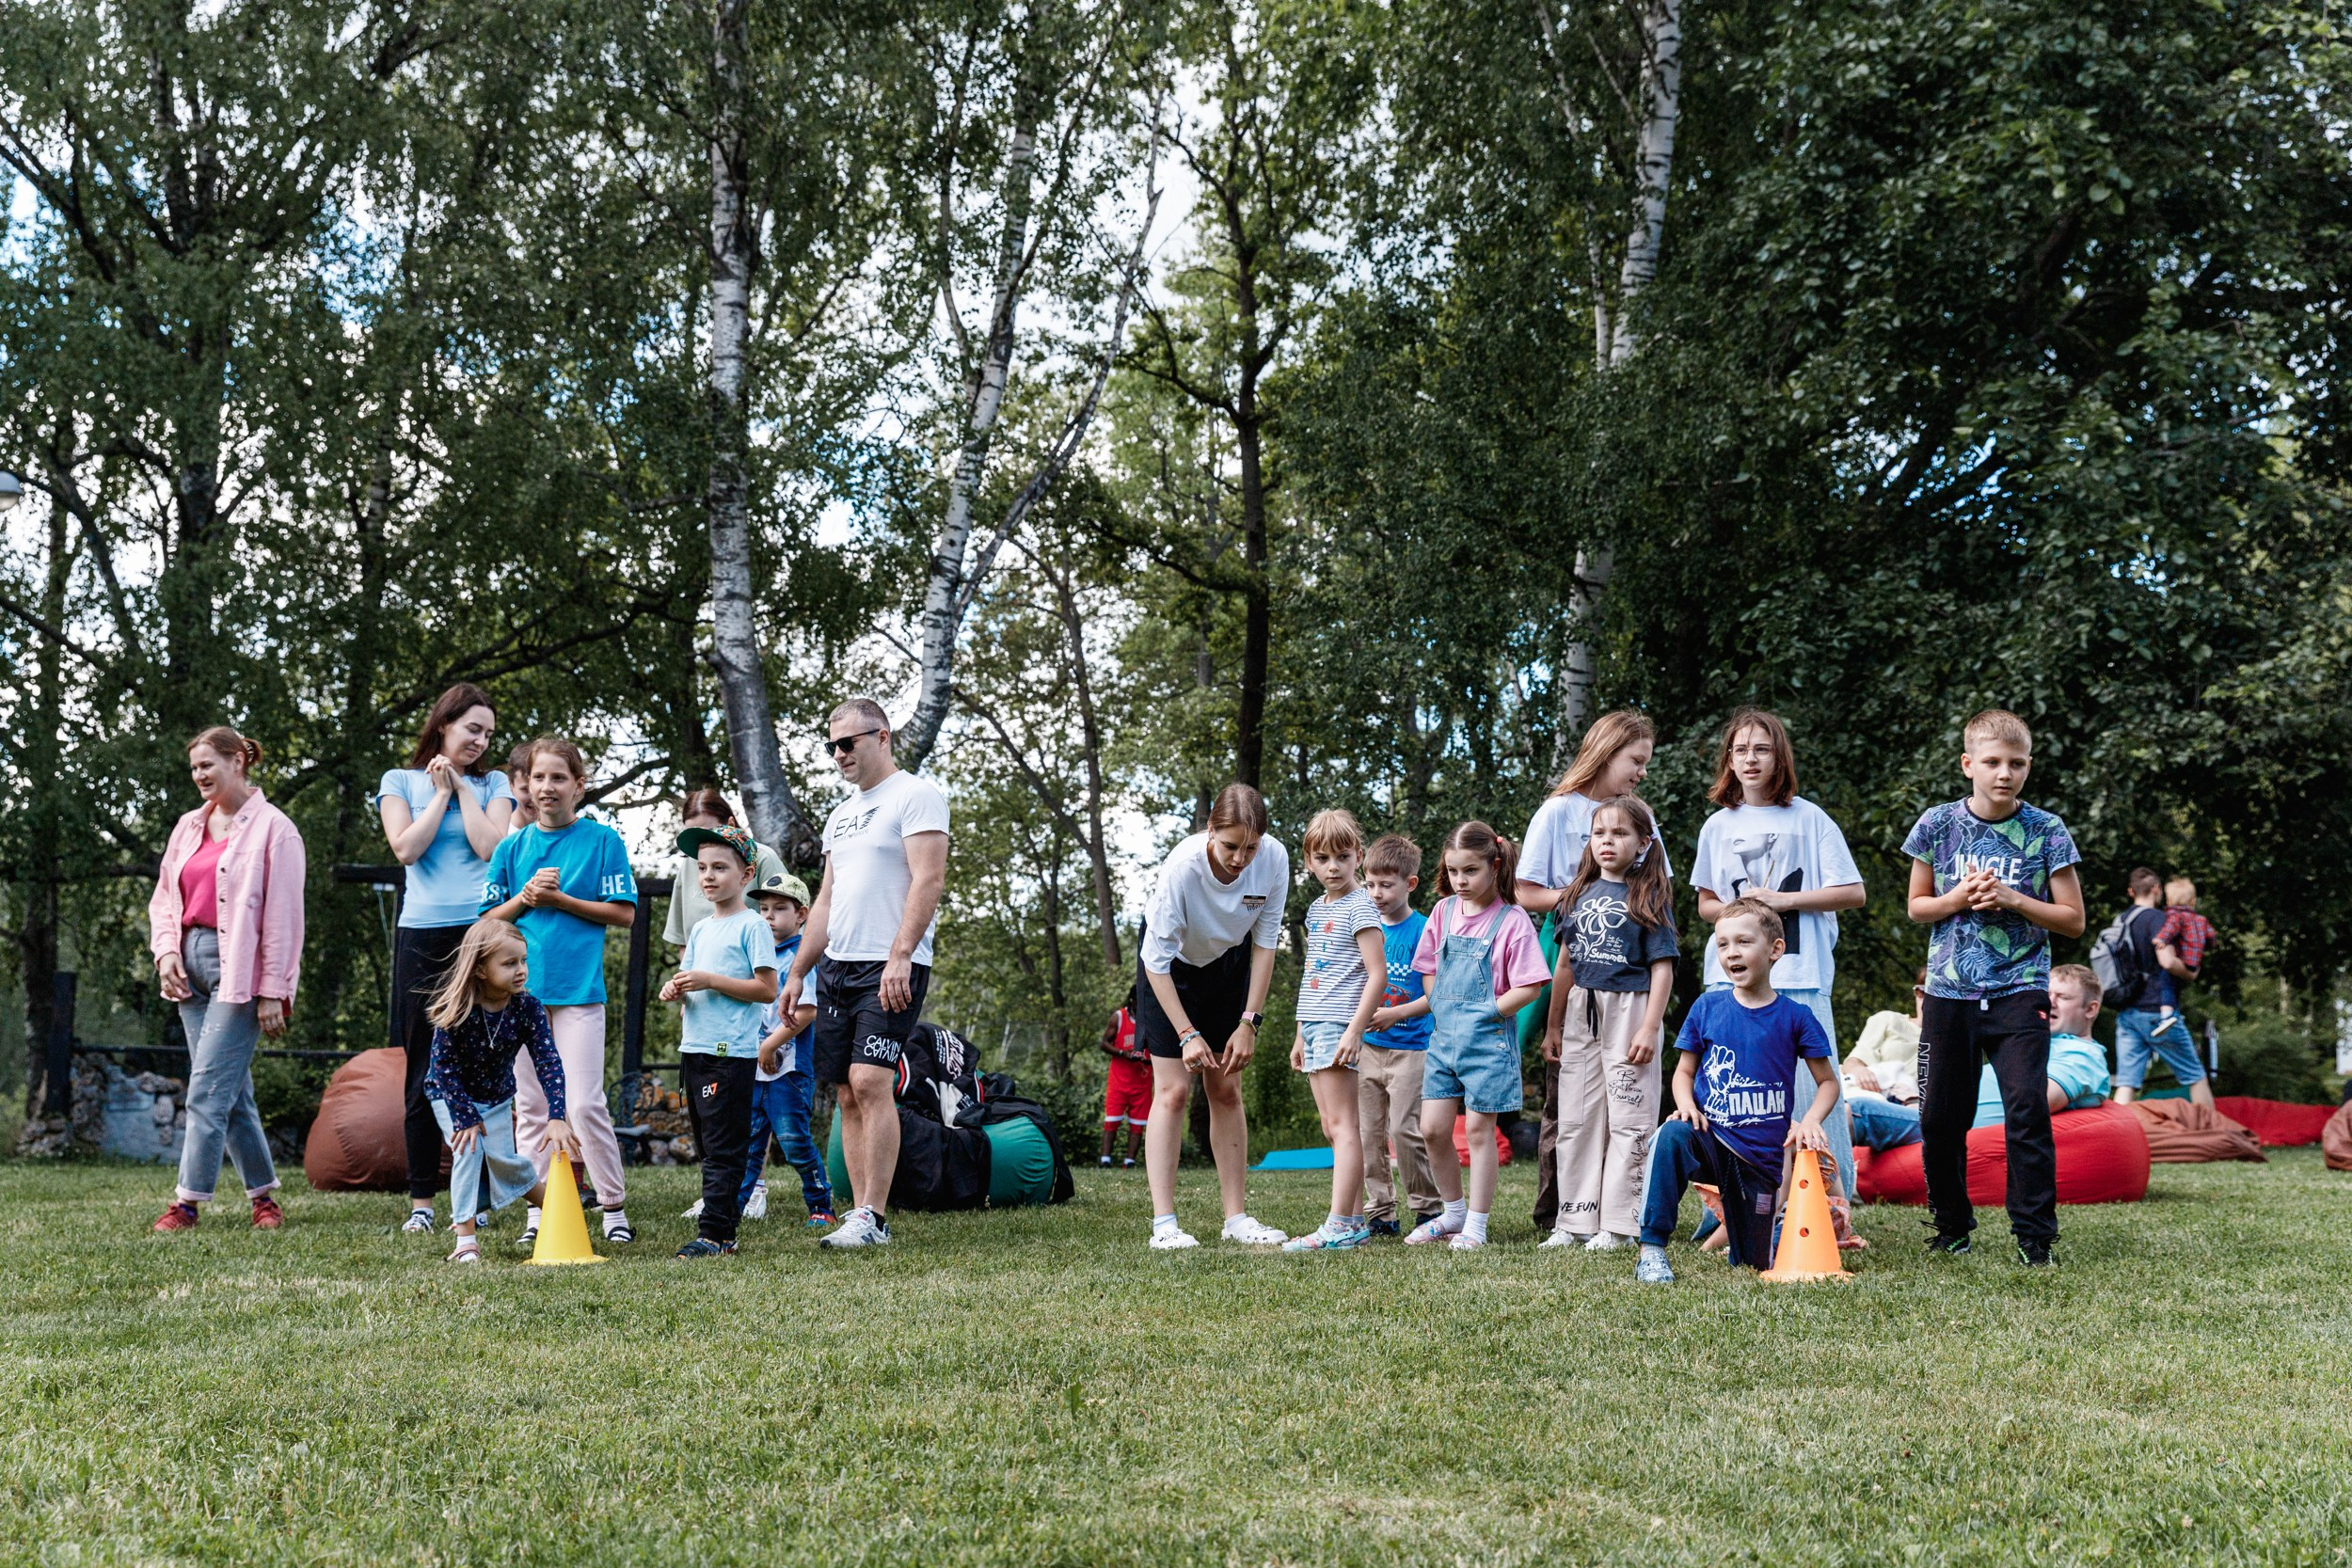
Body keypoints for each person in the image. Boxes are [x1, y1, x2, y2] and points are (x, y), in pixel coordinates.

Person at [1903, 708, 2084, 1268]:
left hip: (2019, 990)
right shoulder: (1936, 824)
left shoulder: (2047, 830)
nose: (2004, 773)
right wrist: (1957, 899)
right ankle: (1952, 1227)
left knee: (2027, 1107)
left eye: (2017, 763)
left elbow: (2073, 919)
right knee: (1938, 1118)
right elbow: (1917, 907)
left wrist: (2012, 899)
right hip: (1948, 993)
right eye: (1992, 762)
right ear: (1968, 765)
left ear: (2028, 767)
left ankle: (2035, 1239)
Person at [782, 700, 951, 1251]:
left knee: (871, 1080)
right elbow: (826, 901)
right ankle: (859, 1214)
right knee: (845, 1092)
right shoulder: (840, 815)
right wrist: (797, 972)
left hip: (891, 963)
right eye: (831, 746)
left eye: (847, 743)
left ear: (882, 737)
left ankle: (874, 1216)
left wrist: (902, 952)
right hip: (837, 966)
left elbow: (928, 879)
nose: (838, 755)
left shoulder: (916, 796)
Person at [1687, 709, 1867, 1209]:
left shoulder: (1809, 817)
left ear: (1779, 756)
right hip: (1732, 979)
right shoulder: (1717, 826)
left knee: (1811, 1095)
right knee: (1733, 1094)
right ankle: (1733, 1206)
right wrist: (1743, 914)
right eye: (1740, 749)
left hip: (1800, 974)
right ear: (1729, 759)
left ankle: (1829, 1206)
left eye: (1761, 749)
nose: (1750, 759)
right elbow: (1705, 904)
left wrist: (1782, 902)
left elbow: (1852, 892)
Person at [1516, 710, 1668, 1235]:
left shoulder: (1642, 821)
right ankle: (1564, 1215)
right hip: (1570, 960)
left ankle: (1620, 1219)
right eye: (1636, 760)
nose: (1642, 771)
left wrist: (1616, 896)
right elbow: (1526, 891)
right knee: (1569, 1104)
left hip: (1630, 979)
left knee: (1627, 1107)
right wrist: (1586, 896)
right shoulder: (1558, 812)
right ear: (1608, 751)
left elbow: (1658, 897)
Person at [482, 736, 638, 1248]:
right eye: (537, 778)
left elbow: (624, 913)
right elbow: (484, 923)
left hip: (579, 994)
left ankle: (612, 1209)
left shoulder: (602, 841)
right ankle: (540, 1212)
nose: (546, 788)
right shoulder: (511, 849)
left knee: (585, 1101)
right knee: (529, 1106)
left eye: (558, 778)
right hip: (521, 999)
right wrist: (525, 899)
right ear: (525, 784)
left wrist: (562, 899)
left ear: (579, 786)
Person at [146, 725, 304, 1234]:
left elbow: (283, 918)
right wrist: (166, 953)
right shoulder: (188, 826)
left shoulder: (275, 829)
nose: (199, 775)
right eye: (194, 767)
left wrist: (273, 990)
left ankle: (186, 1205)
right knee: (231, 1091)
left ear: (239, 761)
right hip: (187, 964)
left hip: (238, 968)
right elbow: (165, 898)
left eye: (207, 764)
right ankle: (264, 1199)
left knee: (207, 1089)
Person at [1124, 783, 1292, 1251]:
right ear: (1210, 832)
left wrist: (1249, 1021)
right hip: (1169, 968)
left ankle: (1235, 1218)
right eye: (1231, 845)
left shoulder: (1274, 860)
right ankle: (1165, 1226)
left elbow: (1265, 942)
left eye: (1251, 847)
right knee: (1174, 1090)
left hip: (1228, 962)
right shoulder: (1182, 870)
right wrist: (1187, 1033)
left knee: (1225, 1087)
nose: (1241, 859)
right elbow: (1154, 962)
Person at [1635, 899, 1836, 1283]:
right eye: (1723, 944)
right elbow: (1683, 1072)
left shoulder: (1797, 1017)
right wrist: (1686, 1105)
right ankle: (1652, 1249)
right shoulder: (1707, 1006)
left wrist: (1811, 1120)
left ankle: (1761, 1236)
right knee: (1671, 1135)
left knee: (1752, 1265)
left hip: (1759, 1160)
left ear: (1775, 949)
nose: (1732, 952)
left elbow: (1828, 1082)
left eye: (1743, 942)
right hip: (1712, 1137)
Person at [375, 683, 515, 1232]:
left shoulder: (496, 784)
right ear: (443, 725)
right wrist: (437, 793)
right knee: (424, 1068)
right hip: (422, 937)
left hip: (480, 936)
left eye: (487, 733)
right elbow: (406, 848)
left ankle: (477, 1200)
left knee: (481, 1067)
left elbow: (491, 849)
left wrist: (462, 792)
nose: (480, 741)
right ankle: (421, 1204)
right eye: (472, 729)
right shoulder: (399, 782)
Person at [1396, 822, 1551, 1250]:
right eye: (1453, 872)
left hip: (1488, 1043)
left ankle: (1476, 1226)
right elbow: (1427, 967)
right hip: (1444, 1041)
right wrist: (1440, 1003)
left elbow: (1531, 985)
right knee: (1431, 1128)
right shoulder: (1444, 912)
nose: (1460, 881)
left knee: (1481, 1130)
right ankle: (1453, 1213)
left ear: (1494, 866)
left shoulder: (1512, 919)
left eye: (1470, 871)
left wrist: (1486, 1012)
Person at [1540, 795, 1678, 1251]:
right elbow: (1564, 965)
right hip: (1583, 1010)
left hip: (1630, 1011)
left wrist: (1649, 1027)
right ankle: (1575, 1219)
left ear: (1642, 843)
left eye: (1619, 833)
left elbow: (1663, 968)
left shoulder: (1649, 895)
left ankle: (1620, 1223)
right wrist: (1554, 1026)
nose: (1607, 841)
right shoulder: (1575, 896)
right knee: (1576, 1117)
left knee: (1629, 1117)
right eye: (1599, 833)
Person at [421, 919, 577, 1264]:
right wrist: (465, 1117)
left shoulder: (528, 1008)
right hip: (450, 1095)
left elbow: (549, 1062)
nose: (521, 971)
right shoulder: (457, 1010)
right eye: (509, 964)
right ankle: (465, 1240)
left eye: (523, 961)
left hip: (496, 1096)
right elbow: (443, 1069)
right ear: (479, 968)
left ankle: (561, 1212)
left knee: (505, 1162)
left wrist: (556, 1116)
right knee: (469, 1151)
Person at [659, 823, 778, 1259]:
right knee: (709, 1148)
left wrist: (711, 979)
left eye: (720, 868)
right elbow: (691, 981)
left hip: (730, 1054)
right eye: (702, 868)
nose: (708, 876)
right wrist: (677, 988)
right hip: (695, 1050)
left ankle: (715, 1234)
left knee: (724, 1150)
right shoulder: (703, 930)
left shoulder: (753, 927)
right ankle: (721, 1232)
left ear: (746, 876)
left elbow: (767, 990)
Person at [1838, 964, 2111, 1150]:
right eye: (2045, 993)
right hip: (1935, 1111)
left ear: (2091, 1009)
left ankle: (1814, 1204)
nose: (2047, 1002)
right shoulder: (2039, 1044)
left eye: (2061, 997)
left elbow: (2032, 1101)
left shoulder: (2082, 1055)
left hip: (1957, 1127)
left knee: (1855, 1111)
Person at [1280, 809, 1388, 1253]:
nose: (1333, 867)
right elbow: (1314, 973)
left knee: (1345, 1127)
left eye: (1342, 857)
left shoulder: (1361, 904)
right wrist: (1301, 1032)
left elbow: (1376, 975)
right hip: (1317, 1025)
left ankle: (1340, 1224)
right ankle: (1356, 1220)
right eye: (1322, 858)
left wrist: (1354, 1030)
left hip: (1342, 1025)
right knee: (1331, 1126)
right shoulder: (1315, 908)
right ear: (1308, 861)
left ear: (1358, 857)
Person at [1360, 833, 1440, 1237]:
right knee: (1367, 1133)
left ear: (1410, 883)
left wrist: (1396, 1014)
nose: (1376, 893)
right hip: (1367, 1050)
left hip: (1413, 1048)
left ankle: (1428, 1209)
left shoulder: (1425, 931)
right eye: (1370, 884)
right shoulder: (1363, 929)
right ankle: (1380, 1214)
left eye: (1386, 884)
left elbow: (1436, 995)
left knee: (1405, 1131)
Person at [746, 870, 834, 1226]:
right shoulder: (757, 953)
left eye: (779, 908)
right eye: (763, 908)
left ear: (801, 915)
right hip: (752, 1068)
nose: (768, 916)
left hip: (788, 1071)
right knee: (749, 1142)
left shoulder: (802, 956)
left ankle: (821, 1206)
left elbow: (807, 1011)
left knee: (794, 1142)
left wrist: (769, 1047)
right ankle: (734, 1204)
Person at [2109, 867, 2214, 1109]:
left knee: (2127, 1082)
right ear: (2156, 889)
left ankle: (2117, 1137)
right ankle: (2211, 1136)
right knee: (2195, 1075)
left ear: (2130, 891)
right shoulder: (2159, 919)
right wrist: (2190, 972)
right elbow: (2166, 961)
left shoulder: (2122, 920)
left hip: (2127, 1012)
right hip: (2158, 1010)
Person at [662, 787, 786, 949]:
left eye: (709, 834)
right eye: (694, 835)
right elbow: (683, 942)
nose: (702, 844)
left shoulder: (763, 859)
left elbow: (788, 932)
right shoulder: (688, 864)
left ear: (731, 825)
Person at [1847, 971, 1926, 1105]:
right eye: (1921, 991)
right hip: (1870, 1094)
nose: (1926, 999)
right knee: (1855, 1108)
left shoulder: (1952, 1042)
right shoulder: (1888, 1019)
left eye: (1934, 994)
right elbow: (1854, 1061)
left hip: (1910, 1106)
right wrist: (1860, 1071)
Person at [1099, 989, 1151, 1169]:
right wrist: (1123, 1053)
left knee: (1138, 1124)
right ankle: (1105, 1160)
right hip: (1119, 1080)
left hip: (1142, 1080)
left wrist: (1147, 1060)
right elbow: (1104, 1043)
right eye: (1139, 1001)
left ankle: (1129, 1162)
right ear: (1132, 1000)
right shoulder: (1119, 1017)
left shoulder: (1151, 1019)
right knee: (1112, 1120)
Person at [503, 741, 538, 834]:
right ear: (511, 785)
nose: (534, 799)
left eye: (538, 788)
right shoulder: (501, 836)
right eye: (525, 789)